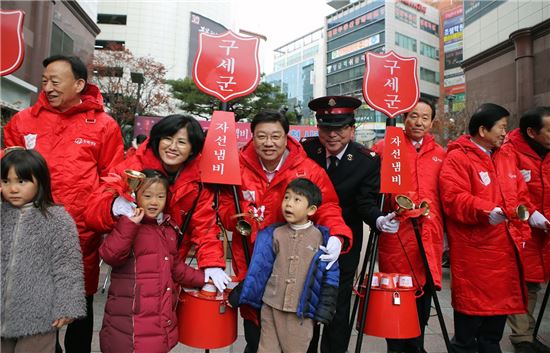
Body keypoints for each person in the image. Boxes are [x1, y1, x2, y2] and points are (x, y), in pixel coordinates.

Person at [2, 55, 124, 353]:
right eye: (45, 81)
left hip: (80, 230)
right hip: (26, 228)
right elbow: (7, 168)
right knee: (30, 298)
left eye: (56, 81)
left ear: (79, 84)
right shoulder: (24, 120)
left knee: (79, 301)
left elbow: (115, 174)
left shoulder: (104, 126)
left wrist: (95, 213)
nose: (49, 87)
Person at [220, 109, 352, 353]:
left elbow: (329, 206)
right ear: (252, 137)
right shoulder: (235, 166)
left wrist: (337, 236)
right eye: (261, 136)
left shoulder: (308, 169)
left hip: (297, 270)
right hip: (253, 265)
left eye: (275, 136)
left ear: (286, 137)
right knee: (257, 338)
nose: (268, 143)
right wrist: (240, 216)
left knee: (300, 340)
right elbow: (224, 205)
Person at [85, 114, 229, 292]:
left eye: (182, 142)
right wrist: (114, 206)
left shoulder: (199, 180)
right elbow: (92, 212)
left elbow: (205, 224)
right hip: (133, 267)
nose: (172, 147)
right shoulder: (134, 167)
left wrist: (211, 263)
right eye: (167, 139)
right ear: (158, 140)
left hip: (172, 266)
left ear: (193, 149)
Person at [302, 95, 401, 353]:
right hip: (305, 239)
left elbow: (365, 202)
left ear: (352, 129)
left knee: (338, 304)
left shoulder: (365, 160)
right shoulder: (305, 152)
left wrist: (379, 219)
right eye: (326, 128)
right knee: (304, 302)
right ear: (318, 128)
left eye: (340, 128)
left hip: (345, 243)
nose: (332, 135)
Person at [439, 103, 533, 353]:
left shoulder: (505, 156)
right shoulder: (459, 157)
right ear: (483, 130)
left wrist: (529, 217)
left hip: (506, 251)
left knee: (494, 327)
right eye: (502, 127)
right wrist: (485, 211)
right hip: (476, 254)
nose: (505, 132)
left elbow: (520, 194)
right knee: (469, 326)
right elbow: (453, 197)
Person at [99, 169, 206, 353]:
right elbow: (111, 255)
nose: (154, 202)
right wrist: (129, 224)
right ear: (135, 195)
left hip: (160, 318)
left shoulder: (168, 228)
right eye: (147, 196)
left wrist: (203, 279)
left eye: (160, 196)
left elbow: (176, 267)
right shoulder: (128, 224)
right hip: (131, 320)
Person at [371, 98, 446, 353]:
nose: (419, 122)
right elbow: (373, 194)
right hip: (397, 235)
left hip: (428, 235)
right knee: (396, 293)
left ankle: (418, 345)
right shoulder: (384, 148)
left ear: (432, 122)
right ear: (404, 118)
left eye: (425, 117)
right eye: (414, 116)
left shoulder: (440, 154)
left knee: (424, 291)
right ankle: (396, 346)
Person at [233, 178, 340, 353]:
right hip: (271, 304)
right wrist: (241, 293)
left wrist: (325, 310)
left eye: (297, 200)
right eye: (286, 198)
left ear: (311, 209)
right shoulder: (274, 234)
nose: (289, 204)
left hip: (300, 312)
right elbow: (261, 268)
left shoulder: (321, 238)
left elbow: (331, 277)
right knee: (266, 349)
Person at [1, 149, 86, 353]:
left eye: (21, 181)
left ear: (40, 181)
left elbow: (68, 267)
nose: (12, 188)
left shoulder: (57, 220)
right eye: (5, 181)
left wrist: (68, 305)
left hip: (38, 315)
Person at [501, 107, 550, 353]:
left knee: (536, 284)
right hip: (523, 228)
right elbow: (512, 191)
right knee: (525, 283)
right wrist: (533, 215)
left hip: (546, 230)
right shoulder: (509, 151)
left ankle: (528, 333)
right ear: (531, 132)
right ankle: (523, 337)